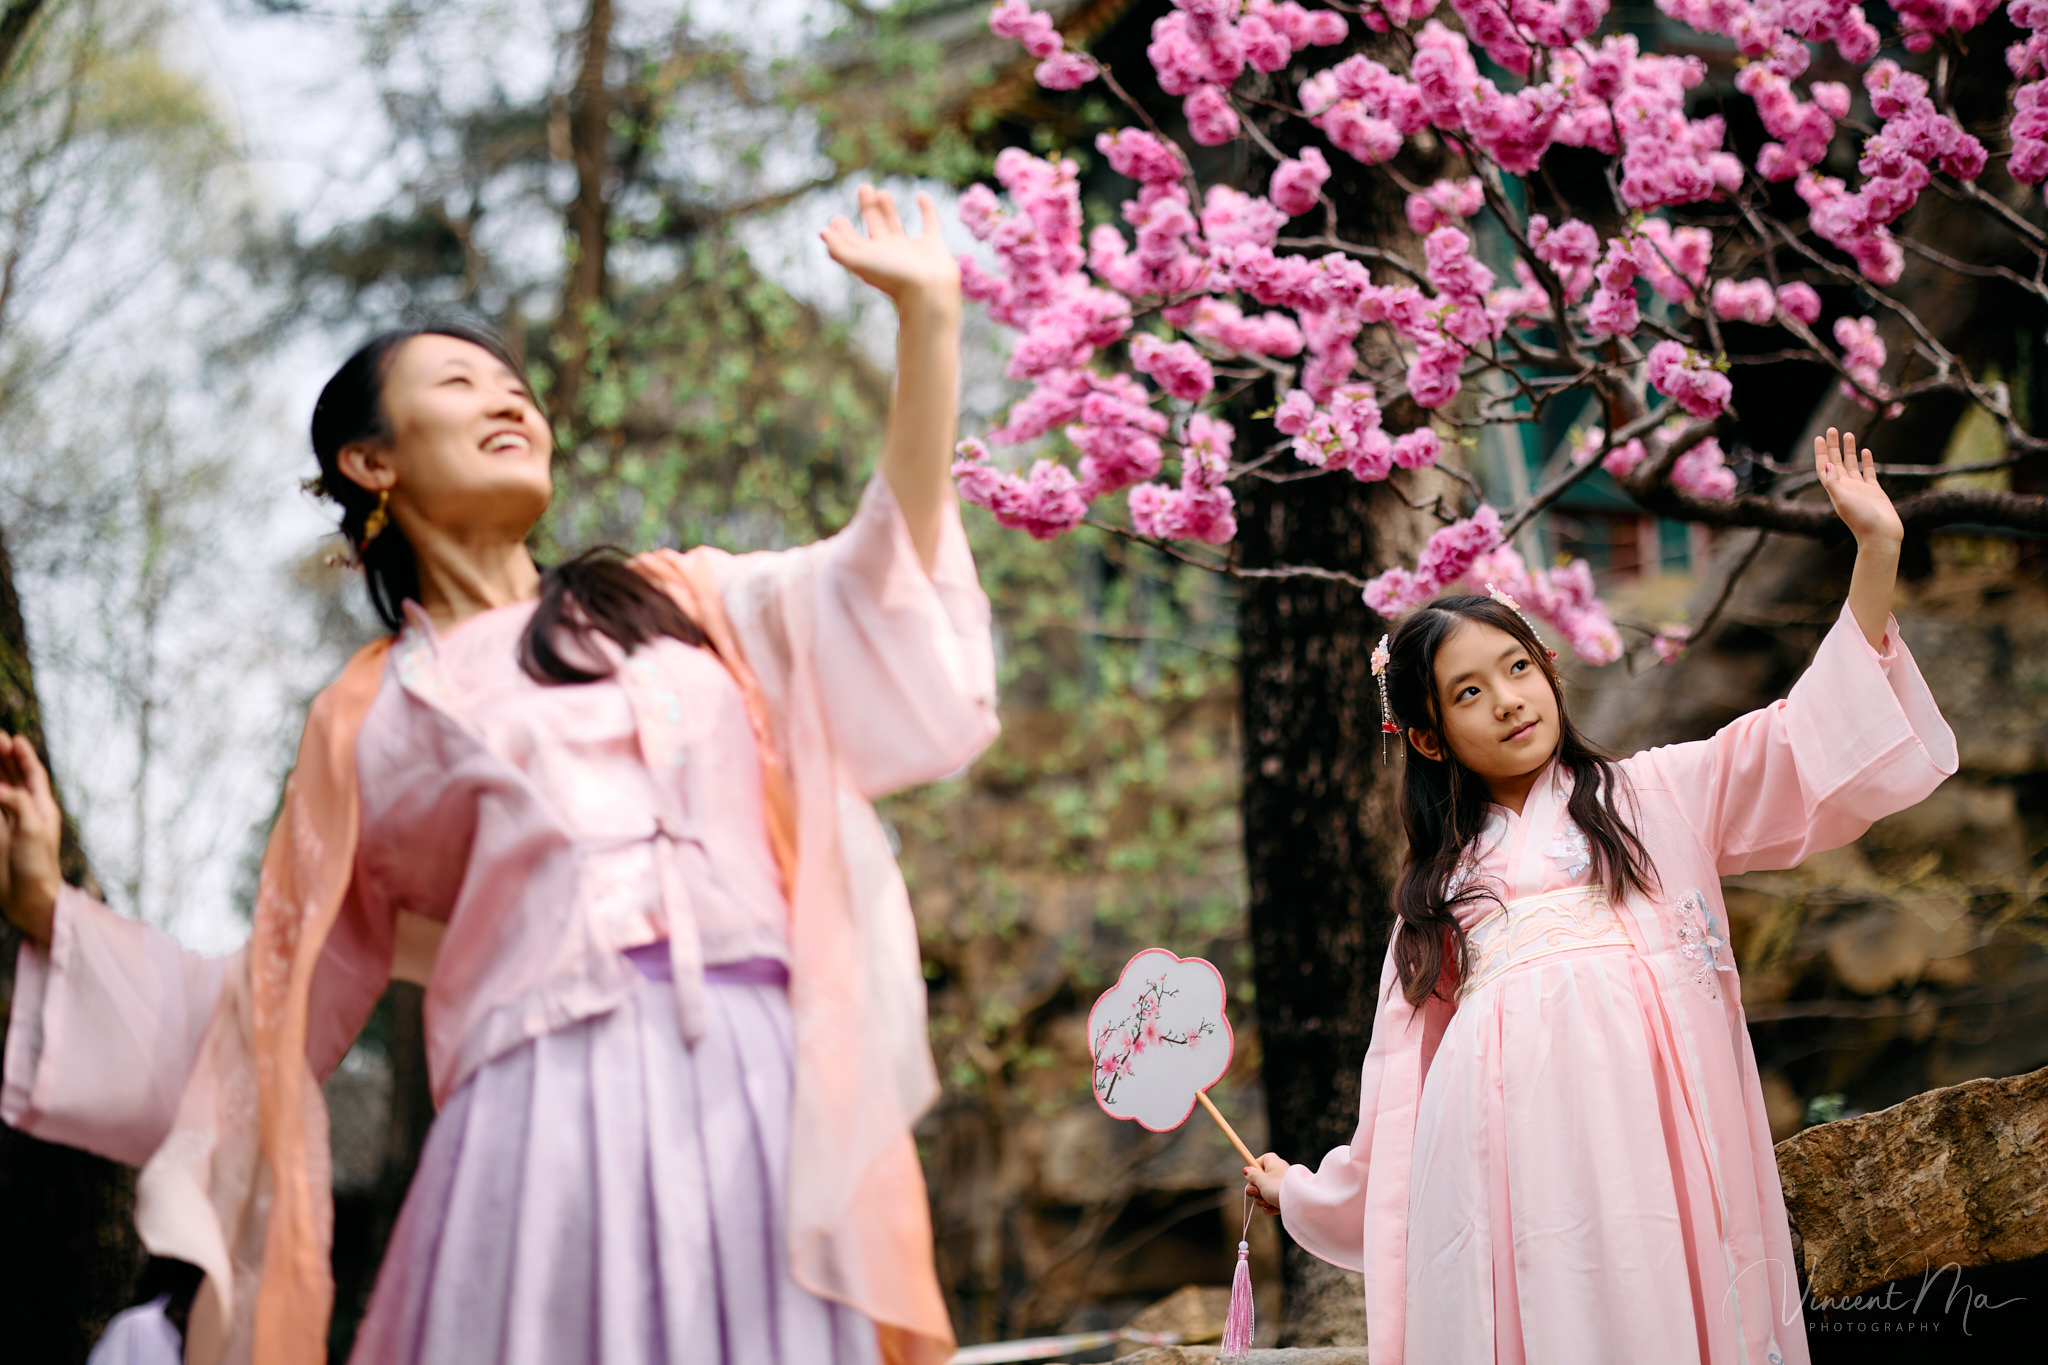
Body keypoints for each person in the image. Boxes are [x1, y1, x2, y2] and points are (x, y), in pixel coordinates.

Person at [0, 185, 993, 1365]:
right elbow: (269, 1012)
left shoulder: (683, 601)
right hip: (537, 1122)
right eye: (458, 384)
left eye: (512, 385)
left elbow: (881, 571)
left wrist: (929, 325)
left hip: (762, 1093)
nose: (505, 395)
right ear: (370, 460)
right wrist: (44, 910)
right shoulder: (367, 717)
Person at [1240, 429, 1957, 1364]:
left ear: (1549, 669)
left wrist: (1876, 554)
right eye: (1467, 691)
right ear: (1428, 737)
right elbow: (1398, 1100)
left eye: (1518, 667)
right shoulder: (1436, 901)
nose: (1507, 699)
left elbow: (1802, 739)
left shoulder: (1655, 795)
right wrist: (1302, 1189)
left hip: (1651, 1148)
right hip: (1503, 1181)